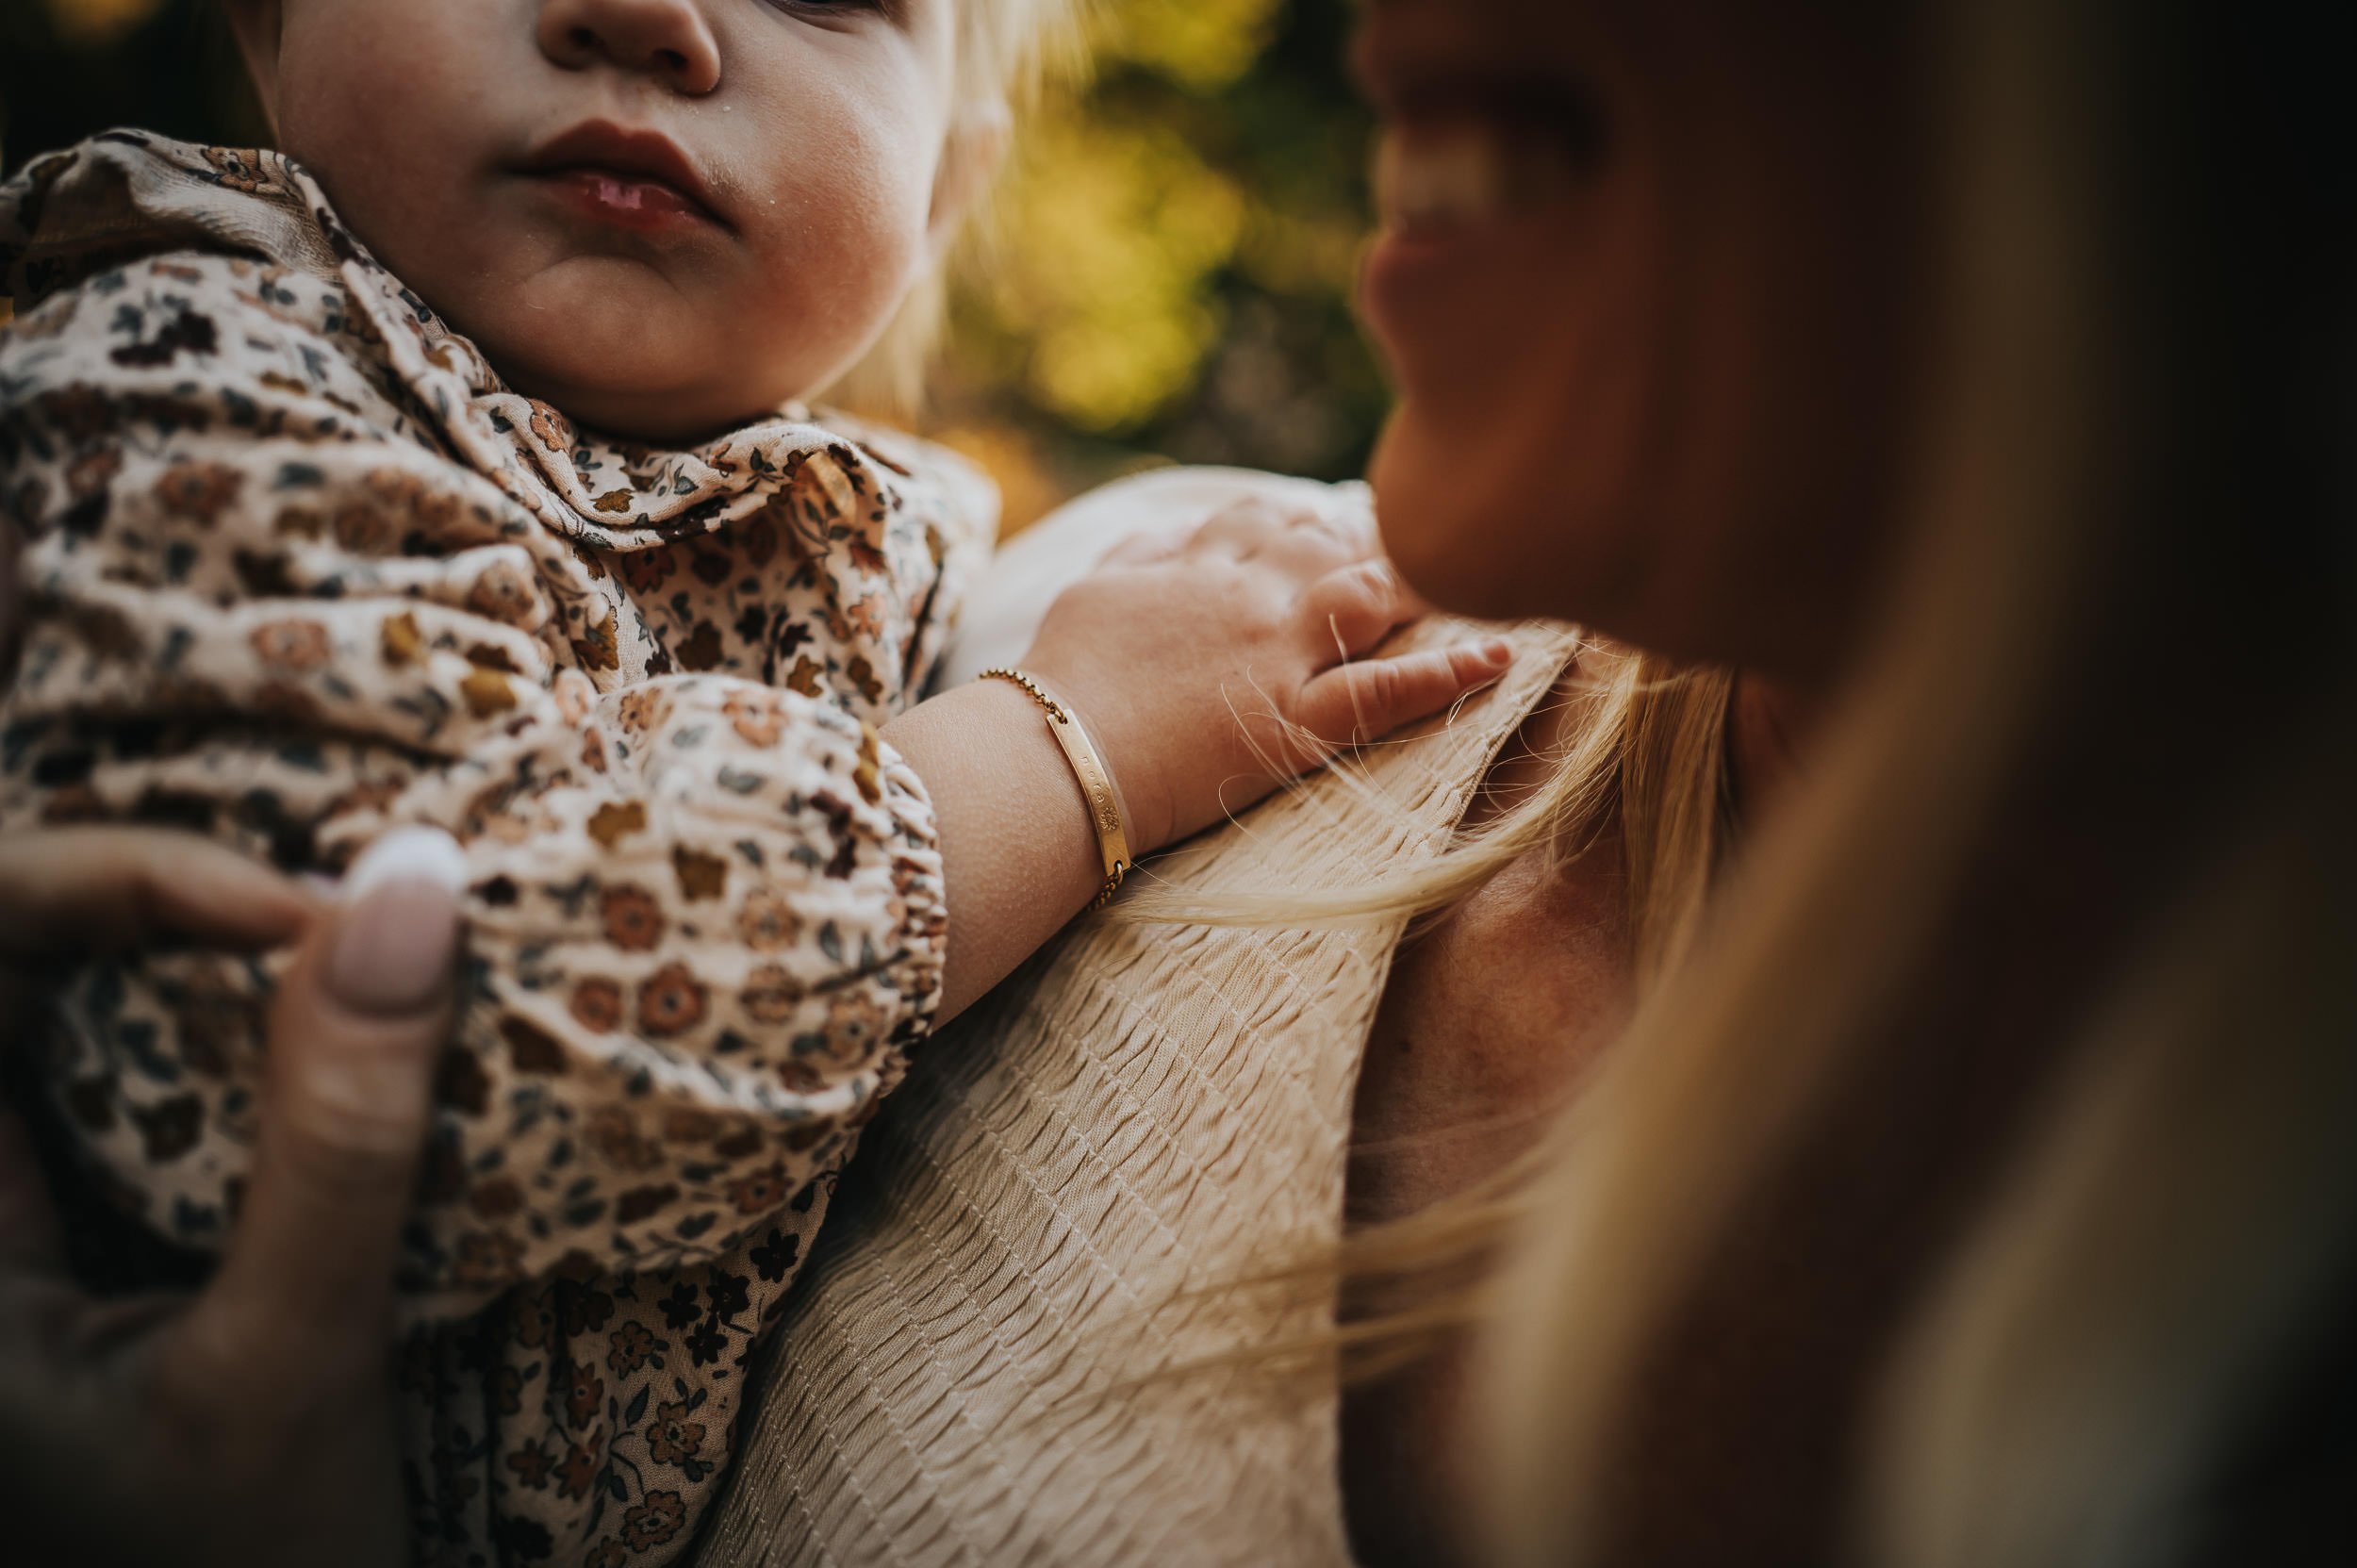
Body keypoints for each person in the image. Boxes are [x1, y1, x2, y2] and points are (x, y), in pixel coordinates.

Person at [0, 0, 1506, 1560]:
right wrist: (1075, 742)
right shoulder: (194, 380)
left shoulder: (883, 555)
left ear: (943, 195)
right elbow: (465, 1021)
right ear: (269, 22)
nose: (652, 16)